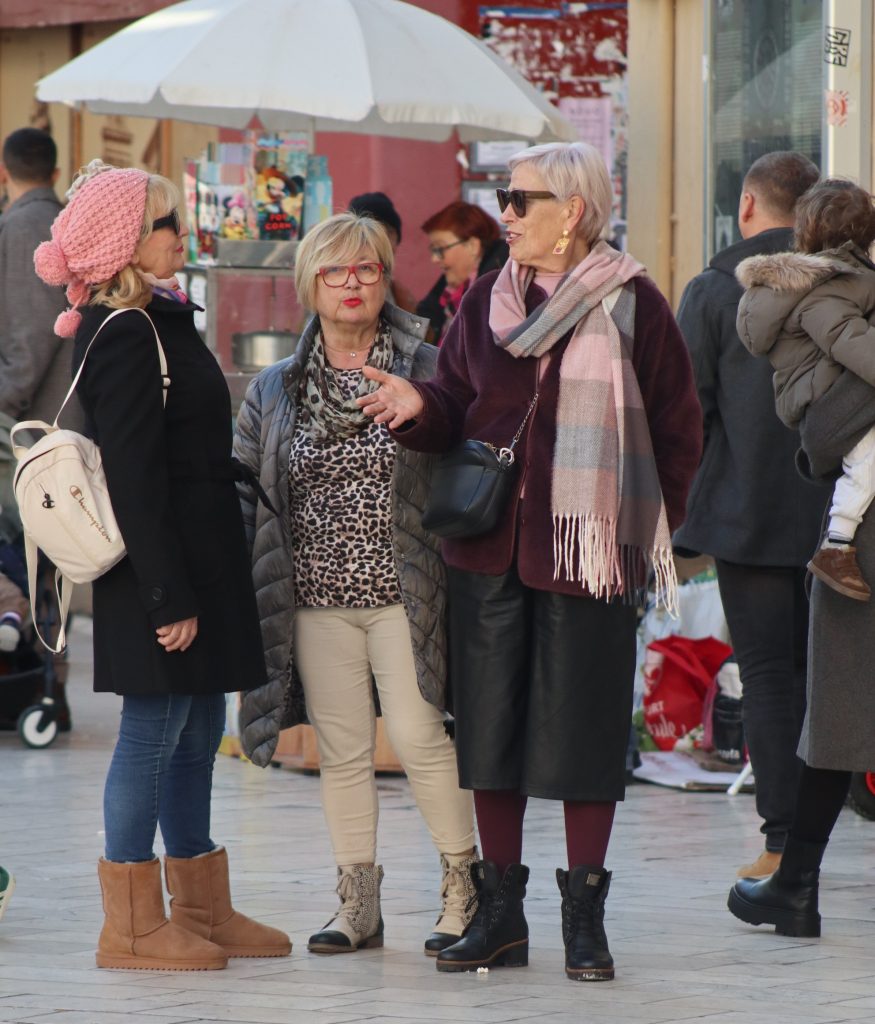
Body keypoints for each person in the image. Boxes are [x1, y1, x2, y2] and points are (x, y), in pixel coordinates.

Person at [358, 142, 702, 980]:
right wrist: (416, 405)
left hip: (588, 557)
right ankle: (500, 919)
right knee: (489, 734)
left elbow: (678, 430)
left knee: (583, 738)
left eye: (519, 199)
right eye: (503, 197)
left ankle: (583, 921)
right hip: (487, 550)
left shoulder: (633, 303)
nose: (504, 213)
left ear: (571, 211)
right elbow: (454, 403)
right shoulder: (486, 299)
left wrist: (639, 529)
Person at [33, 159, 290, 971]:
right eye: (167, 224)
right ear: (126, 243)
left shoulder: (163, 319)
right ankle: (133, 925)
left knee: (199, 724)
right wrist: (164, 594)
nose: (183, 235)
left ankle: (202, 907)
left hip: (198, 554)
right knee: (154, 729)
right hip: (160, 566)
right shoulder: (124, 333)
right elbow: (135, 477)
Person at [232, 212, 477, 958]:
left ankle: (465, 888)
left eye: (365, 268)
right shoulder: (275, 387)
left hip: (406, 590)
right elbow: (244, 493)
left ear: (385, 279)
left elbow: (467, 455)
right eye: (334, 270)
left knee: (419, 736)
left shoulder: (430, 367)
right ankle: (357, 903)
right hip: (314, 598)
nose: (351, 283)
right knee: (340, 749)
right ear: (308, 284)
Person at [673, 151, 827, 880]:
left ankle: (782, 844)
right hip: (840, 515)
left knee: (767, 675)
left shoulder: (712, 291)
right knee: (830, 677)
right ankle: (816, 831)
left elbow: (687, 412)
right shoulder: (848, 286)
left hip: (747, 514)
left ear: (746, 206)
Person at [727, 323, 875, 939]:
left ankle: (794, 882)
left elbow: (822, 436)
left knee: (838, 712)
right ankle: (792, 879)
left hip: (862, 548)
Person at [736, 179, 875, 603]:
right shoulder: (826, 290)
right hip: (829, 402)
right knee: (868, 459)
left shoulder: (824, 283)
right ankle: (838, 544)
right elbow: (854, 346)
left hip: (822, 400)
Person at [0, 127, 81, 729]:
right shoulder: (52, 220)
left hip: (35, 429)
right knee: (46, 562)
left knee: (43, 562)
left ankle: (47, 691)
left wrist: (5, 396)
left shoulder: (27, 225)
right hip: (47, 425)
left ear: (5, 171)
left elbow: (31, 335)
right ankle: (48, 686)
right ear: (53, 170)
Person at [416, 200, 508, 342]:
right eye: (433, 250)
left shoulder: (497, 292)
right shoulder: (449, 289)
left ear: (472, 246)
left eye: (440, 249)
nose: (434, 259)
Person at [348, 191, 417, 312]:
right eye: (368, 234)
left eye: (388, 233)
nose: (381, 243)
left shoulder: (401, 296)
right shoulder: (336, 289)